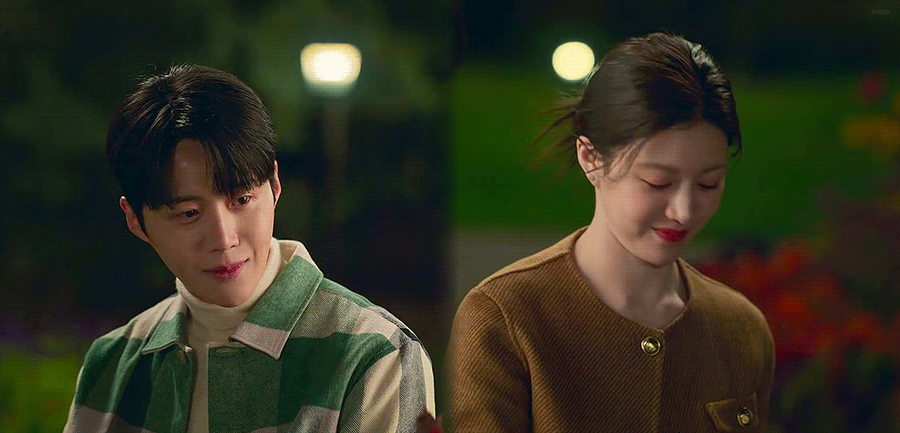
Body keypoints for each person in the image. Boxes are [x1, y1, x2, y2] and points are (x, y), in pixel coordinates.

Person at [64, 64, 435, 433]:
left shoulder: (372, 353)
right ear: (135, 220)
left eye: (241, 200)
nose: (223, 238)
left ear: (274, 186)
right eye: (189, 213)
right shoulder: (112, 364)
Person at [447, 32, 775, 432]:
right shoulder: (507, 317)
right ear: (591, 158)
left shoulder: (742, 330)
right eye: (657, 182)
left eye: (709, 183)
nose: (684, 211)